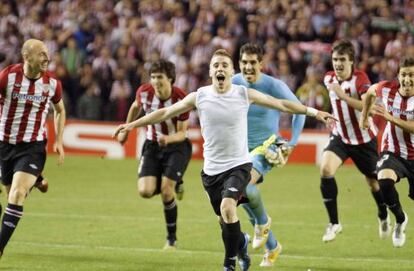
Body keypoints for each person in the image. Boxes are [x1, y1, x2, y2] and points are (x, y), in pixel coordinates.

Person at [113, 49, 335, 271]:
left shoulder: (243, 94)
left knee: (229, 207)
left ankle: (229, 264)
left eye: (224, 65)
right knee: (225, 221)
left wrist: (316, 113)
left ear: (231, 72)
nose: (220, 68)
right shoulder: (199, 96)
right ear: (210, 71)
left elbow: (283, 105)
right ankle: (243, 244)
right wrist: (131, 125)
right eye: (216, 65)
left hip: (239, 166)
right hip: (211, 172)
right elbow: (164, 113)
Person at [232, 43, 306, 267]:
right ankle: (272, 246)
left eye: (253, 62)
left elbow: (299, 110)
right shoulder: (233, 82)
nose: (248, 66)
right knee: (242, 197)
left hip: (267, 148)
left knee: (243, 188)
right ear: (239, 64)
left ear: (261, 64)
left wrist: (291, 143)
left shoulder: (273, 85)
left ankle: (262, 224)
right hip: (240, 150)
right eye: (244, 62)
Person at [116, 59, 192, 249]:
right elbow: (135, 106)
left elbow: (183, 133)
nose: (156, 82)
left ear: (171, 79)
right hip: (152, 145)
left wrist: (169, 139)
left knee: (167, 192)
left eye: (160, 78)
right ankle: (173, 179)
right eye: (153, 77)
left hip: (176, 145)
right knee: (145, 191)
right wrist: (126, 130)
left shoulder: (181, 98)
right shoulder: (144, 92)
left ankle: (171, 240)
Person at [0, 39, 65, 257]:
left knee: (17, 195)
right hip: (4, 145)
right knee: (10, 194)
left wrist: (58, 140)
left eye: (47, 53)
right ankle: (37, 179)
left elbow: (60, 110)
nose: (47, 58)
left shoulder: (52, 83)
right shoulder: (7, 77)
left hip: (32, 146)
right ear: (27, 57)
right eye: (41, 54)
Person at [319, 39, 388, 242]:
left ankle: (383, 213)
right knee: (325, 169)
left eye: (342, 60)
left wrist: (343, 97)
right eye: (335, 59)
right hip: (340, 136)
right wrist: (331, 117)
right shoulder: (328, 78)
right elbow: (335, 104)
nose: (338, 64)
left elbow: (369, 105)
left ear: (351, 62)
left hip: (365, 140)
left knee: (374, 183)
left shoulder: (360, 79)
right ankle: (334, 223)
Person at [360, 56, 414, 247]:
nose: (408, 79)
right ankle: (400, 219)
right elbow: (369, 93)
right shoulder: (387, 88)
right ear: (398, 76)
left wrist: (390, 118)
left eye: (412, 75)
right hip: (393, 152)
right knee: (383, 179)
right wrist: (364, 116)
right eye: (404, 75)